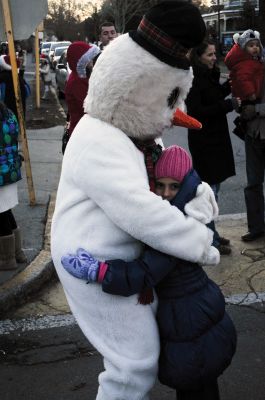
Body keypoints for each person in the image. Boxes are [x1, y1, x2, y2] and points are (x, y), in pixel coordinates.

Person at [51, 2, 220, 399]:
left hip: (129, 260)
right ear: (138, 87)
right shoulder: (98, 139)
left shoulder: (136, 130)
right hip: (94, 262)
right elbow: (141, 213)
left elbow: (168, 179)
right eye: (169, 98)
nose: (174, 112)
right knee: (133, 364)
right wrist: (198, 241)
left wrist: (199, 195)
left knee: (154, 350)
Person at [61, 145, 237, 400]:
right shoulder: (181, 212)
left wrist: (98, 271)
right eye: (160, 185)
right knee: (199, 384)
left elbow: (144, 273)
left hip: (188, 316)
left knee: (195, 382)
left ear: (186, 186)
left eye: (174, 186)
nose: (166, 194)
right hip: (194, 310)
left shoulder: (178, 227)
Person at [186, 39, 241, 255]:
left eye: (214, 54)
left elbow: (213, 96)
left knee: (213, 191)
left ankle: (212, 234)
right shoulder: (193, 79)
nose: (213, 57)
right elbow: (197, 111)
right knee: (209, 193)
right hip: (204, 142)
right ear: (198, 56)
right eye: (209, 54)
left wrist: (228, 86)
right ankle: (209, 240)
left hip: (215, 139)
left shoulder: (208, 74)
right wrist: (228, 105)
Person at [238, 61, 265, 242]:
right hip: (254, 136)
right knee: (253, 184)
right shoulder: (252, 69)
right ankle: (256, 227)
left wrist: (256, 109)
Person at [0, 101, 27, 270]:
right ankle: (18, 253)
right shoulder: (7, 113)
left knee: (1, 215)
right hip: (9, 170)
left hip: (1, 173)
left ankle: (6, 259)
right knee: (6, 211)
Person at [65, 42, 101, 137]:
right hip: (81, 132)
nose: (91, 61)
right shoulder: (77, 82)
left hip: (83, 129)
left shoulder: (80, 78)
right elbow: (89, 109)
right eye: (89, 58)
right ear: (81, 60)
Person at [224, 29, 264, 105]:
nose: (255, 47)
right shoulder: (244, 63)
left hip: (253, 96)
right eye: (251, 45)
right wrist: (250, 93)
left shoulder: (255, 60)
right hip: (247, 98)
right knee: (249, 114)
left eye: (257, 45)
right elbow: (243, 79)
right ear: (244, 49)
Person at [0, 54, 26, 118]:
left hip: (7, 106)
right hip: (20, 108)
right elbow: (27, 92)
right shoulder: (18, 76)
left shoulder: (3, 76)